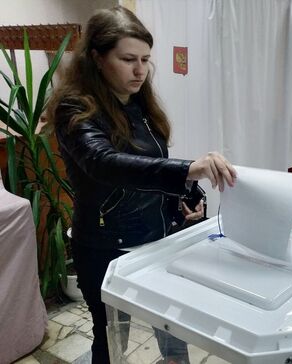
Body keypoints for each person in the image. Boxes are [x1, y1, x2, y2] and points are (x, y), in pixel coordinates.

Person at [47, 6, 237, 364]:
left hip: (158, 239)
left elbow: (152, 166)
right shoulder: (74, 108)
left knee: (172, 332)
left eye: (146, 60)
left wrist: (184, 195)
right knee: (110, 339)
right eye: (128, 59)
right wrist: (188, 170)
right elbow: (104, 164)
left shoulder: (141, 105)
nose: (140, 70)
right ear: (97, 58)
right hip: (105, 248)